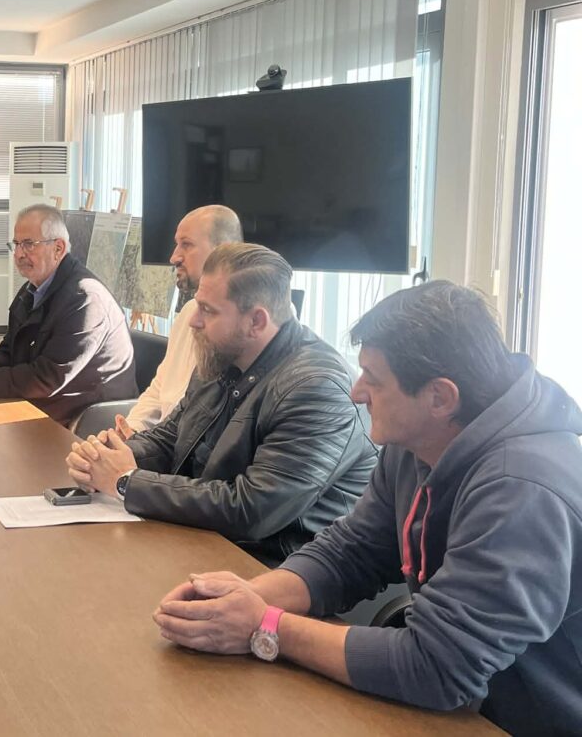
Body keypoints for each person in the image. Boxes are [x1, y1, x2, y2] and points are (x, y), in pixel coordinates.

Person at [152, 281, 582, 735]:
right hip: (467, 708)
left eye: (372, 379)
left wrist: (265, 626)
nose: (357, 393)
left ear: (440, 397)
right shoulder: (420, 440)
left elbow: (436, 666)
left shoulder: (523, 489)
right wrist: (246, 599)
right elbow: (352, 551)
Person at [68, 243, 375, 562]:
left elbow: (253, 510)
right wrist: (108, 458)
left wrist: (126, 482)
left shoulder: (318, 389)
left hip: (276, 565)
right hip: (210, 543)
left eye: (208, 310)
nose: (193, 321)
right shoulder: (222, 357)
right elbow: (171, 438)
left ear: (256, 321)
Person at [0, 204, 136, 425]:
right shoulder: (31, 290)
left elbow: (47, 378)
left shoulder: (85, 299)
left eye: (28, 244)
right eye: (16, 244)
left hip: (86, 421)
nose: (18, 254)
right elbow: (10, 354)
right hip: (47, 405)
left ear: (58, 248)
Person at [123, 205, 242, 432]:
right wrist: (128, 431)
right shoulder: (188, 311)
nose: (174, 257)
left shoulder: (239, 327)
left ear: (223, 250)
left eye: (186, 245)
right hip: (161, 443)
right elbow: (159, 390)